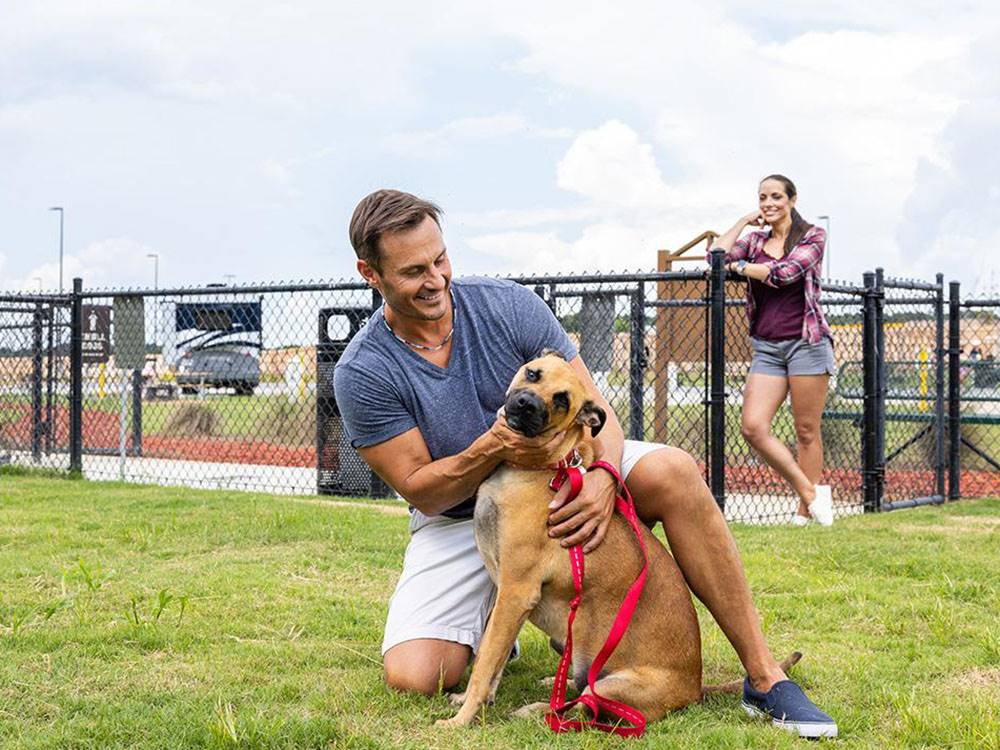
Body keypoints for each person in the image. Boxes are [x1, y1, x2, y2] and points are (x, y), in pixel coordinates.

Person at [334, 189, 837, 738]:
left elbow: (600, 413)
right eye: (414, 271)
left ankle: (764, 678)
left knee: (673, 470)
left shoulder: (507, 306)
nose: (435, 280)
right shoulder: (365, 370)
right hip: (457, 514)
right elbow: (422, 489)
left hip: (565, 474)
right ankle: (515, 614)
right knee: (417, 675)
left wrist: (603, 477)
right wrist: (495, 445)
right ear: (371, 273)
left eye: (440, 259)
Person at [713, 175, 835, 526]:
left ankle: (803, 512)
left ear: (792, 200)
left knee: (806, 430)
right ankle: (811, 493)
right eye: (763, 197)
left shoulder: (813, 235)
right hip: (767, 347)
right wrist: (741, 222)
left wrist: (739, 268)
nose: (769, 203)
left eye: (776, 196)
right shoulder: (754, 240)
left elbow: (784, 273)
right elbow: (716, 257)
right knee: (753, 426)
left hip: (806, 343)